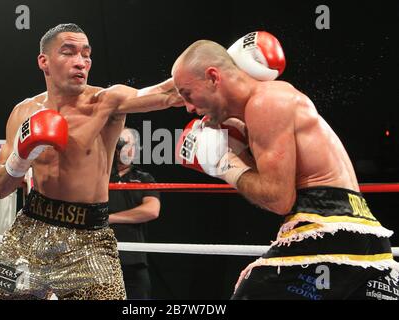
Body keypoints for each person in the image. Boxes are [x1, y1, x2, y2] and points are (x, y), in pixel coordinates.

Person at [171, 35, 399, 299]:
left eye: (187, 94)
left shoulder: (265, 101)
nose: (187, 107)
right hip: (366, 242)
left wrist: (224, 164)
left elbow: (278, 199)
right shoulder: (268, 104)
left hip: (329, 232)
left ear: (213, 77)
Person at [0, 23, 181, 300]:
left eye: (86, 55)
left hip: (89, 241)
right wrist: (21, 157)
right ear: (44, 61)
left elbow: (169, 94)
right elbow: (0, 187)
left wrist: (226, 68)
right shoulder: (24, 112)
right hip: (29, 233)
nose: (81, 62)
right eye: (69, 53)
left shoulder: (107, 101)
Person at [108, 128, 161, 299]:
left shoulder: (144, 178)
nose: (126, 149)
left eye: (130, 144)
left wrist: (110, 218)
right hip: (101, 257)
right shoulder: (100, 176)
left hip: (134, 260)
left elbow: (152, 210)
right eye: (121, 144)